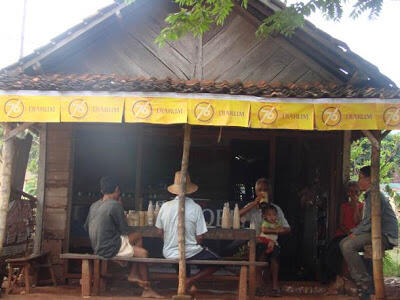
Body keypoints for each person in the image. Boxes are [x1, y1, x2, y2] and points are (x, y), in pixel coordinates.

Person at [84, 176, 161, 298]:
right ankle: (145, 286)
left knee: (138, 239)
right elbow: (125, 230)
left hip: (96, 246)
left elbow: (87, 226)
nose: (119, 193)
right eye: (119, 191)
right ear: (116, 190)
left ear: (102, 190)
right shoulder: (115, 205)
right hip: (109, 247)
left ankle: (134, 273)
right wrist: (121, 209)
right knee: (143, 252)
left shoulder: (94, 205)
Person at [155, 171, 219, 294]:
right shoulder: (196, 208)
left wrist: (169, 241)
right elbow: (200, 238)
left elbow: (159, 232)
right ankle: (190, 280)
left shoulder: (165, 206)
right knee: (217, 262)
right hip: (188, 252)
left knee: (183, 257)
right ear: (190, 190)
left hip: (169, 252)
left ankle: (187, 283)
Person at [340, 166, 398, 299]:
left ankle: (364, 283)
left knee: (347, 245)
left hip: (384, 235)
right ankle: (366, 277)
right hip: (375, 232)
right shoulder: (370, 195)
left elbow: (369, 221)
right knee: (343, 242)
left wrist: (355, 233)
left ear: (370, 179)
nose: (358, 181)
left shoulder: (374, 195)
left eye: (361, 178)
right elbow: (366, 221)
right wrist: (355, 232)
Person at [239, 178, 291, 297]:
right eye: (259, 190)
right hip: (255, 242)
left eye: (265, 190)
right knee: (259, 251)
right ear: (256, 192)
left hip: (272, 242)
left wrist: (272, 230)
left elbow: (287, 228)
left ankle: (274, 286)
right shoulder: (252, 207)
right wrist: (253, 203)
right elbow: (236, 216)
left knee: (275, 256)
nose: (262, 192)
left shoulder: (275, 209)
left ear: (269, 192)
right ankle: (258, 285)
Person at [323, 181, 363, 292]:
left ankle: (345, 279)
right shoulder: (343, 206)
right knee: (332, 249)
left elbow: (359, 222)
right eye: (351, 192)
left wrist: (355, 207)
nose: (353, 194)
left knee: (346, 248)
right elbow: (341, 224)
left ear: (359, 193)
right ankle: (336, 278)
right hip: (343, 234)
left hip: (356, 236)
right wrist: (348, 233)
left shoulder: (362, 206)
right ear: (347, 193)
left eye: (356, 192)